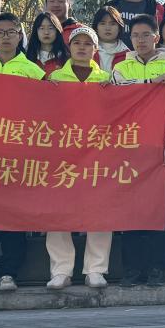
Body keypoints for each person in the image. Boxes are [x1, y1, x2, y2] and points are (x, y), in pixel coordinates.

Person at [0, 13, 45, 292]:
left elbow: (44, 109)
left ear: (20, 35)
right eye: (0, 32)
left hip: (18, 152)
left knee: (14, 215)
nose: (5, 37)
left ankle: (9, 272)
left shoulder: (33, 71)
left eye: (11, 32)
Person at [111, 14, 165, 287]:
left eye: (145, 35)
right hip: (128, 147)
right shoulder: (120, 68)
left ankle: (157, 268)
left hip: (159, 147)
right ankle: (131, 269)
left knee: (157, 210)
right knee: (130, 209)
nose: (140, 40)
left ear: (156, 37)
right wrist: (151, 85)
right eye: (135, 35)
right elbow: (118, 97)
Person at [45, 26, 113, 289]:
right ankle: (61, 270)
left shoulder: (107, 78)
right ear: (69, 48)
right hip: (62, 154)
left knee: (100, 210)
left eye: (88, 44)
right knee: (57, 211)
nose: (82, 47)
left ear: (95, 49)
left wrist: (113, 91)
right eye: (77, 43)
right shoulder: (54, 78)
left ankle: (96, 269)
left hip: (97, 153)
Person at [25, 12, 68, 77]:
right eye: (42, 28)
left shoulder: (65, 58)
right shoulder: (28, 57)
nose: (46, 32)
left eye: (50, 28)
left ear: (57, 30)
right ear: (36, 31)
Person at [92, 6, 131, 72]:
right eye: (103, 23)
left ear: (119, 28)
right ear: (96, 27)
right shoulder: (88, 51)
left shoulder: (128, 55)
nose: (107, 28)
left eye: (112, 24)